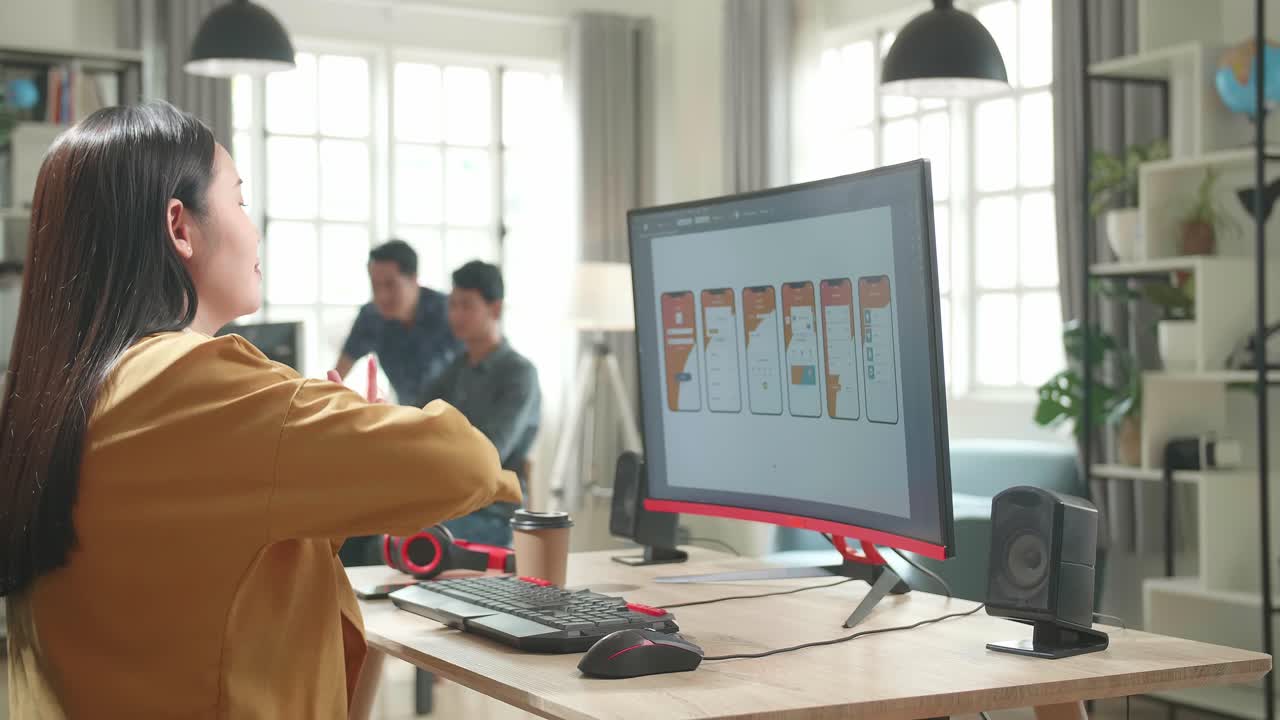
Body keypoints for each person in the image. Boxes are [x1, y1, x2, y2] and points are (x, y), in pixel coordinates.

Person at [0, 102, 520, 719]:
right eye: (240, 201)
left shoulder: (49, 393)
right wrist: (336, 413)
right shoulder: (198, 383)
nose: (254, 230)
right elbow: (462, 462)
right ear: (179, 227)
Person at [426, 261, 541, 548]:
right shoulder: (457, 368)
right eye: (453, 305)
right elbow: (418, 417)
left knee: (399, 538)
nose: (456, 314)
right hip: (450, 500)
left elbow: (490, 450)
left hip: (493, 513)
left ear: (495, 309)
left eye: (466, 305)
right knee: (359, 526)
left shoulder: (519, 372)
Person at [335, 240, 459, 406]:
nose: (382, 296)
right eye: (375, 286)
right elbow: (338, 374)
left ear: (413, 279)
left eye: (390, 285)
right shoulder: (371, 317)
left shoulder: (449, 311)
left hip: (458, 415)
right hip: (409, 413)